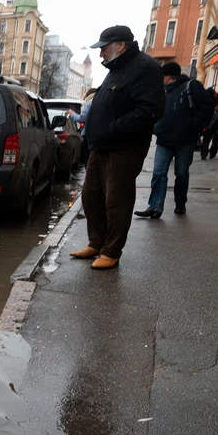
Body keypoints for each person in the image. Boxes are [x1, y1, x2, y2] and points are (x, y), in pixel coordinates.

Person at [70, 26, 165, 270]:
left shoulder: (145, 68)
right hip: (100, 147)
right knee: (91, 197)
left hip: (124, 148)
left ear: (120, 45)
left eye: (104, 47)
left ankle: (111, 251)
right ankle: (97, 243)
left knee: (116, 201)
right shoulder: (117, 69)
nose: (101, 53)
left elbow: (150, 111)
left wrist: (112, 128)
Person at [134, 62, 213, 219]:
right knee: (158, 173)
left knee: (181, 173)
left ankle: (180, 203)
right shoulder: (164, 92)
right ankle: (155, 206)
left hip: (185, 140)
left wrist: (194, 125)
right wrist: (156, 127)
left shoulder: (191, 87)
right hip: (164, 140)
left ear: (169, 76)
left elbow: (207, 106)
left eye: (161, 76)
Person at [68, 87, 98, 165]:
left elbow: (81, 118)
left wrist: (72, 114)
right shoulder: (99, 101)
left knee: (88, 161)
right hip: (99, 135)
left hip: (88, 135)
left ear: (88, 95)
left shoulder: (89, 104)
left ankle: (89, 175)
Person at [200, 86, 218, 160]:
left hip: (210, 127)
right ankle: (211, 154)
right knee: (214, 142)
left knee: (206, 140)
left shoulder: (211, 105)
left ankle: (204, 154)